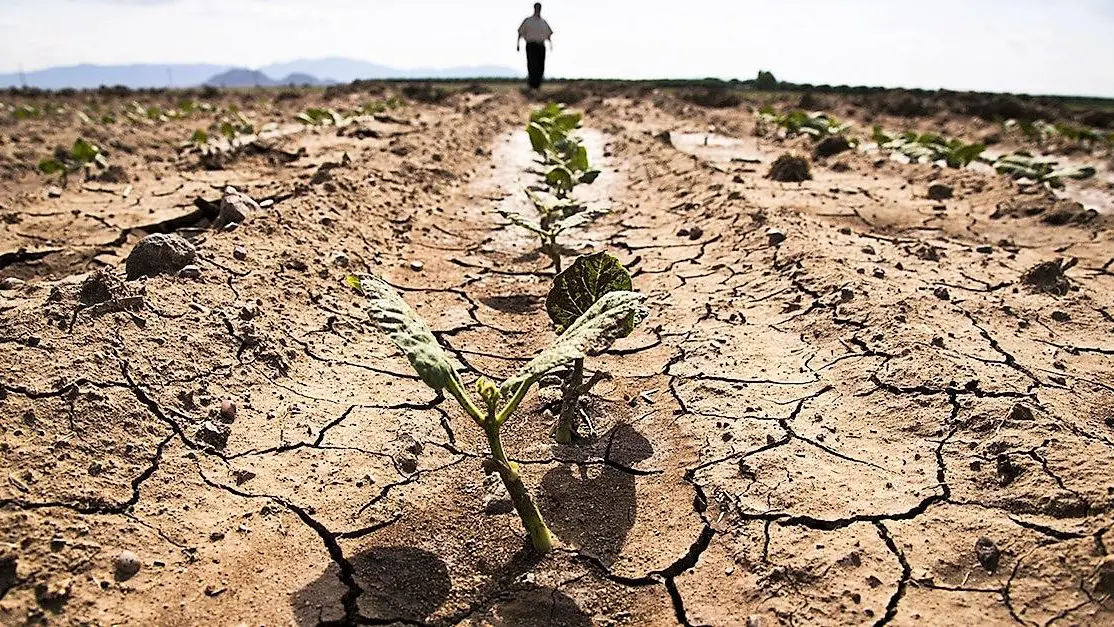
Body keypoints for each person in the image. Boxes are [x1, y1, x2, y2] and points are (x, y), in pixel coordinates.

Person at [517, 3, 553, 90]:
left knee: (540, 66)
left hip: (541, 45)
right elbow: (520, 32)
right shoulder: (528, 21)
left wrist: (551, 44)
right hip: (531, 45)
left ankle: (537, 86)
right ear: (534, 8)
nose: (538, 10)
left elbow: (549, 35)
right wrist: (518, 44)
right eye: (537, 8)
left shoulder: (543, 22)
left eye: (539, 8)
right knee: (532, 65)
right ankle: (532, 85)